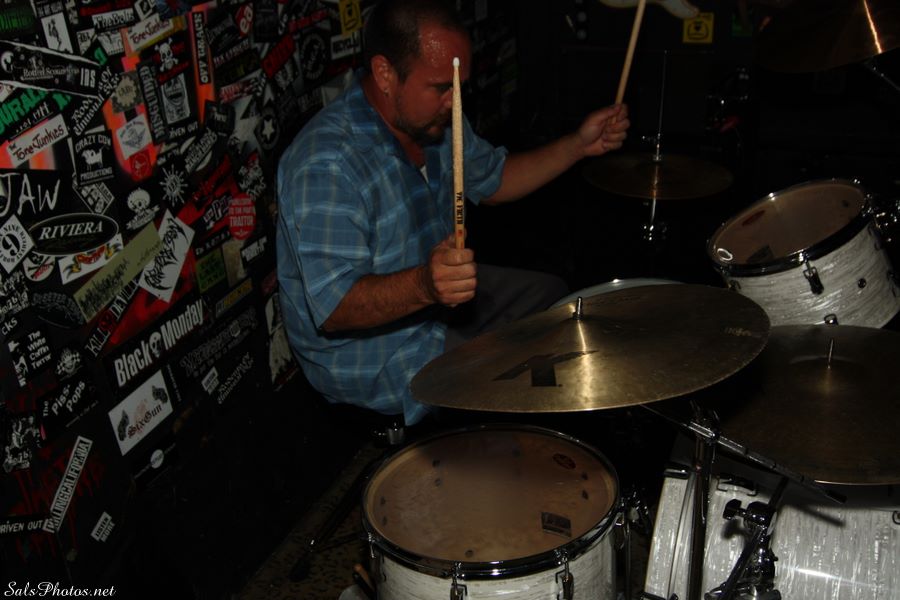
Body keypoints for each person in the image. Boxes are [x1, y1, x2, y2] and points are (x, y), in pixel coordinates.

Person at [276, 0, 629, 427]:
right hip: (378, 359)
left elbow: (496, 180)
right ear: (385, 74)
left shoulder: (435, 121)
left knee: (554, 300)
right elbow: (336, 308)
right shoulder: (327, 163)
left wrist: (579, 145)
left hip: (436, 307)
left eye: (460, 88)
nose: (453, 102)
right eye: (442, 87)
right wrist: (426, 284)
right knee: (528, 381)